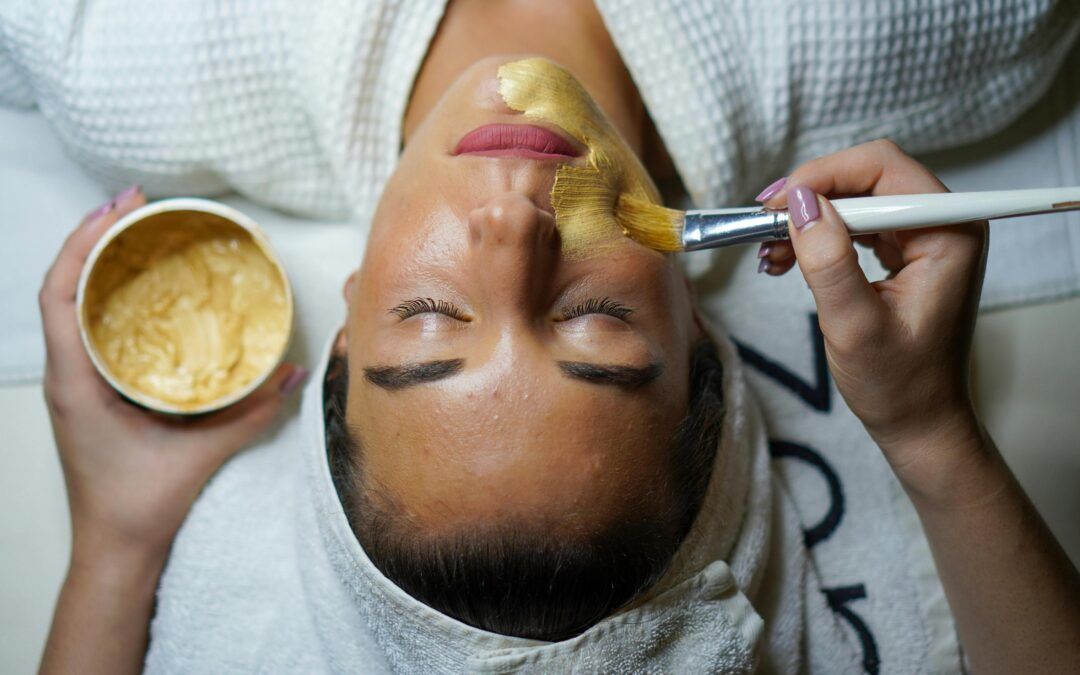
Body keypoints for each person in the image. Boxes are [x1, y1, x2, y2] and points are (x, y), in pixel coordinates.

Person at [16, 1, 1080, 673]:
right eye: (593, 318)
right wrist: (932, 433)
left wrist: (112, 538)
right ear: (698, 321)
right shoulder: (953, 24)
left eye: (432, 316)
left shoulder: (108, 47)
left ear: (344, 318)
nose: (512, 229)